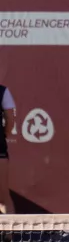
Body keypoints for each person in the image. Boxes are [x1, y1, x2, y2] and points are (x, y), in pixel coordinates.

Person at [0, 82, 15, 214]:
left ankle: (10, 230)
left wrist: (4, 134)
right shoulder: (2, 91)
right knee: (3, 198)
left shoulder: (3, 91)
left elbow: (10, 120)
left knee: (2, 198)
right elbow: (10, 121)